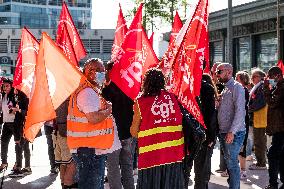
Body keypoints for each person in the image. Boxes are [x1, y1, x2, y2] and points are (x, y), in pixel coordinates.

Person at [67, 58, 118, 189]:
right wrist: (108, 111)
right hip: (88, 150)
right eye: (101, 71)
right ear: (90, 72)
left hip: (89, 148)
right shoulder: (87, 92)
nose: (104, 74)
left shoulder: (90, 90)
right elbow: (93, 118)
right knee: (92, 185)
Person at [130, 68, 185, 189]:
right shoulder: (173, 98)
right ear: (163, 81)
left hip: (151, 157)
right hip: (173, 154)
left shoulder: (140, 102)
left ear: (146, 82)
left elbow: (134, 131)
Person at [102, 61, 135, 189]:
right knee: (127, 165)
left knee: (113, 166)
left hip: (113, 134)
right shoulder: (130, 88)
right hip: (128, 133)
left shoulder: (108, 90)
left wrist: (105, 85)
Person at [216, 63, 246, 189]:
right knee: (229, 164)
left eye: (219, 71)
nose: (217, 74)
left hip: (233, 132)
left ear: (228, 72)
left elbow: (240, 111)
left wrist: (232, 131)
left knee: (232, 164)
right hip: (224, 131)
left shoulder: (237, 87)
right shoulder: (224, 87)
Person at [0, 79, 29, 177]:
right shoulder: (3, 96)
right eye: (4, 86)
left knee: (18, 145)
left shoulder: (16, 96)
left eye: (7, 86)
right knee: (3, 143)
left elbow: (23, 110)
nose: (5, 88)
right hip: (6, 123)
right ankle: (4, 163)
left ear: (12, 86)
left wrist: (17, 110)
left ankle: (18, 167)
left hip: (16, 124)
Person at [194, 73, 217, 189]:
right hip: (196, 133)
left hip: (203, 133)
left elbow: (210, 114)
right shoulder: (186, 84)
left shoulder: (206, 88)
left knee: (201, 167)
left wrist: (210, 136)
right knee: (201, 167)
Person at [263, 66, 284, 189]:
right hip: (279, 128)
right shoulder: (278, 87)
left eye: (270, 77)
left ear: (277, 76)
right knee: (279, 154)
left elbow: (272, 102)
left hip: (281, 129)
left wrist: (266, 88)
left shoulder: (281, 88)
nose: (269, 79)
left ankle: (273, 184)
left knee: (273, 154)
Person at [53, 99, 77, 188]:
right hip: (65, 134)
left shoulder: (58, 96)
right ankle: (68, 184)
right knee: (71, 162)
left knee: (63, 162)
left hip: (58, 133)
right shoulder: (65, 99)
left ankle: (64, 184)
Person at [248, 68, 267, 170]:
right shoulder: (258, 86)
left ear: (261, 77)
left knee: (259, 141)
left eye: (254, 76)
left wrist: (248, 108)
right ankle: (261, 161)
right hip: (257, 118)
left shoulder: (262, 87)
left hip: (260, 118)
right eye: (252, 76)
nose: (252, 78)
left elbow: (260, 103)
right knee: (258, 141)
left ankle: (261, 163)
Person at [211, 62, 227, 175]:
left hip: (222, 119)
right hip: (213, 118)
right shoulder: (210, 84)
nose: (215, 74)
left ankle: (225, 167)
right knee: (212, 144)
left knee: (224, 145)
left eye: (217, 72)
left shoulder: (224, 85)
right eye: (213, 72)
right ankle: (219, 167)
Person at [235, 71, 250, 180]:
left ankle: (243, 170)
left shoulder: (243, 90)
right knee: (238, 146)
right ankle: (239, 170)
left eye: (236, 77)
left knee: (241, 146)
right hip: (242, 120)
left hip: (242, 120)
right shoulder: (242, 90)